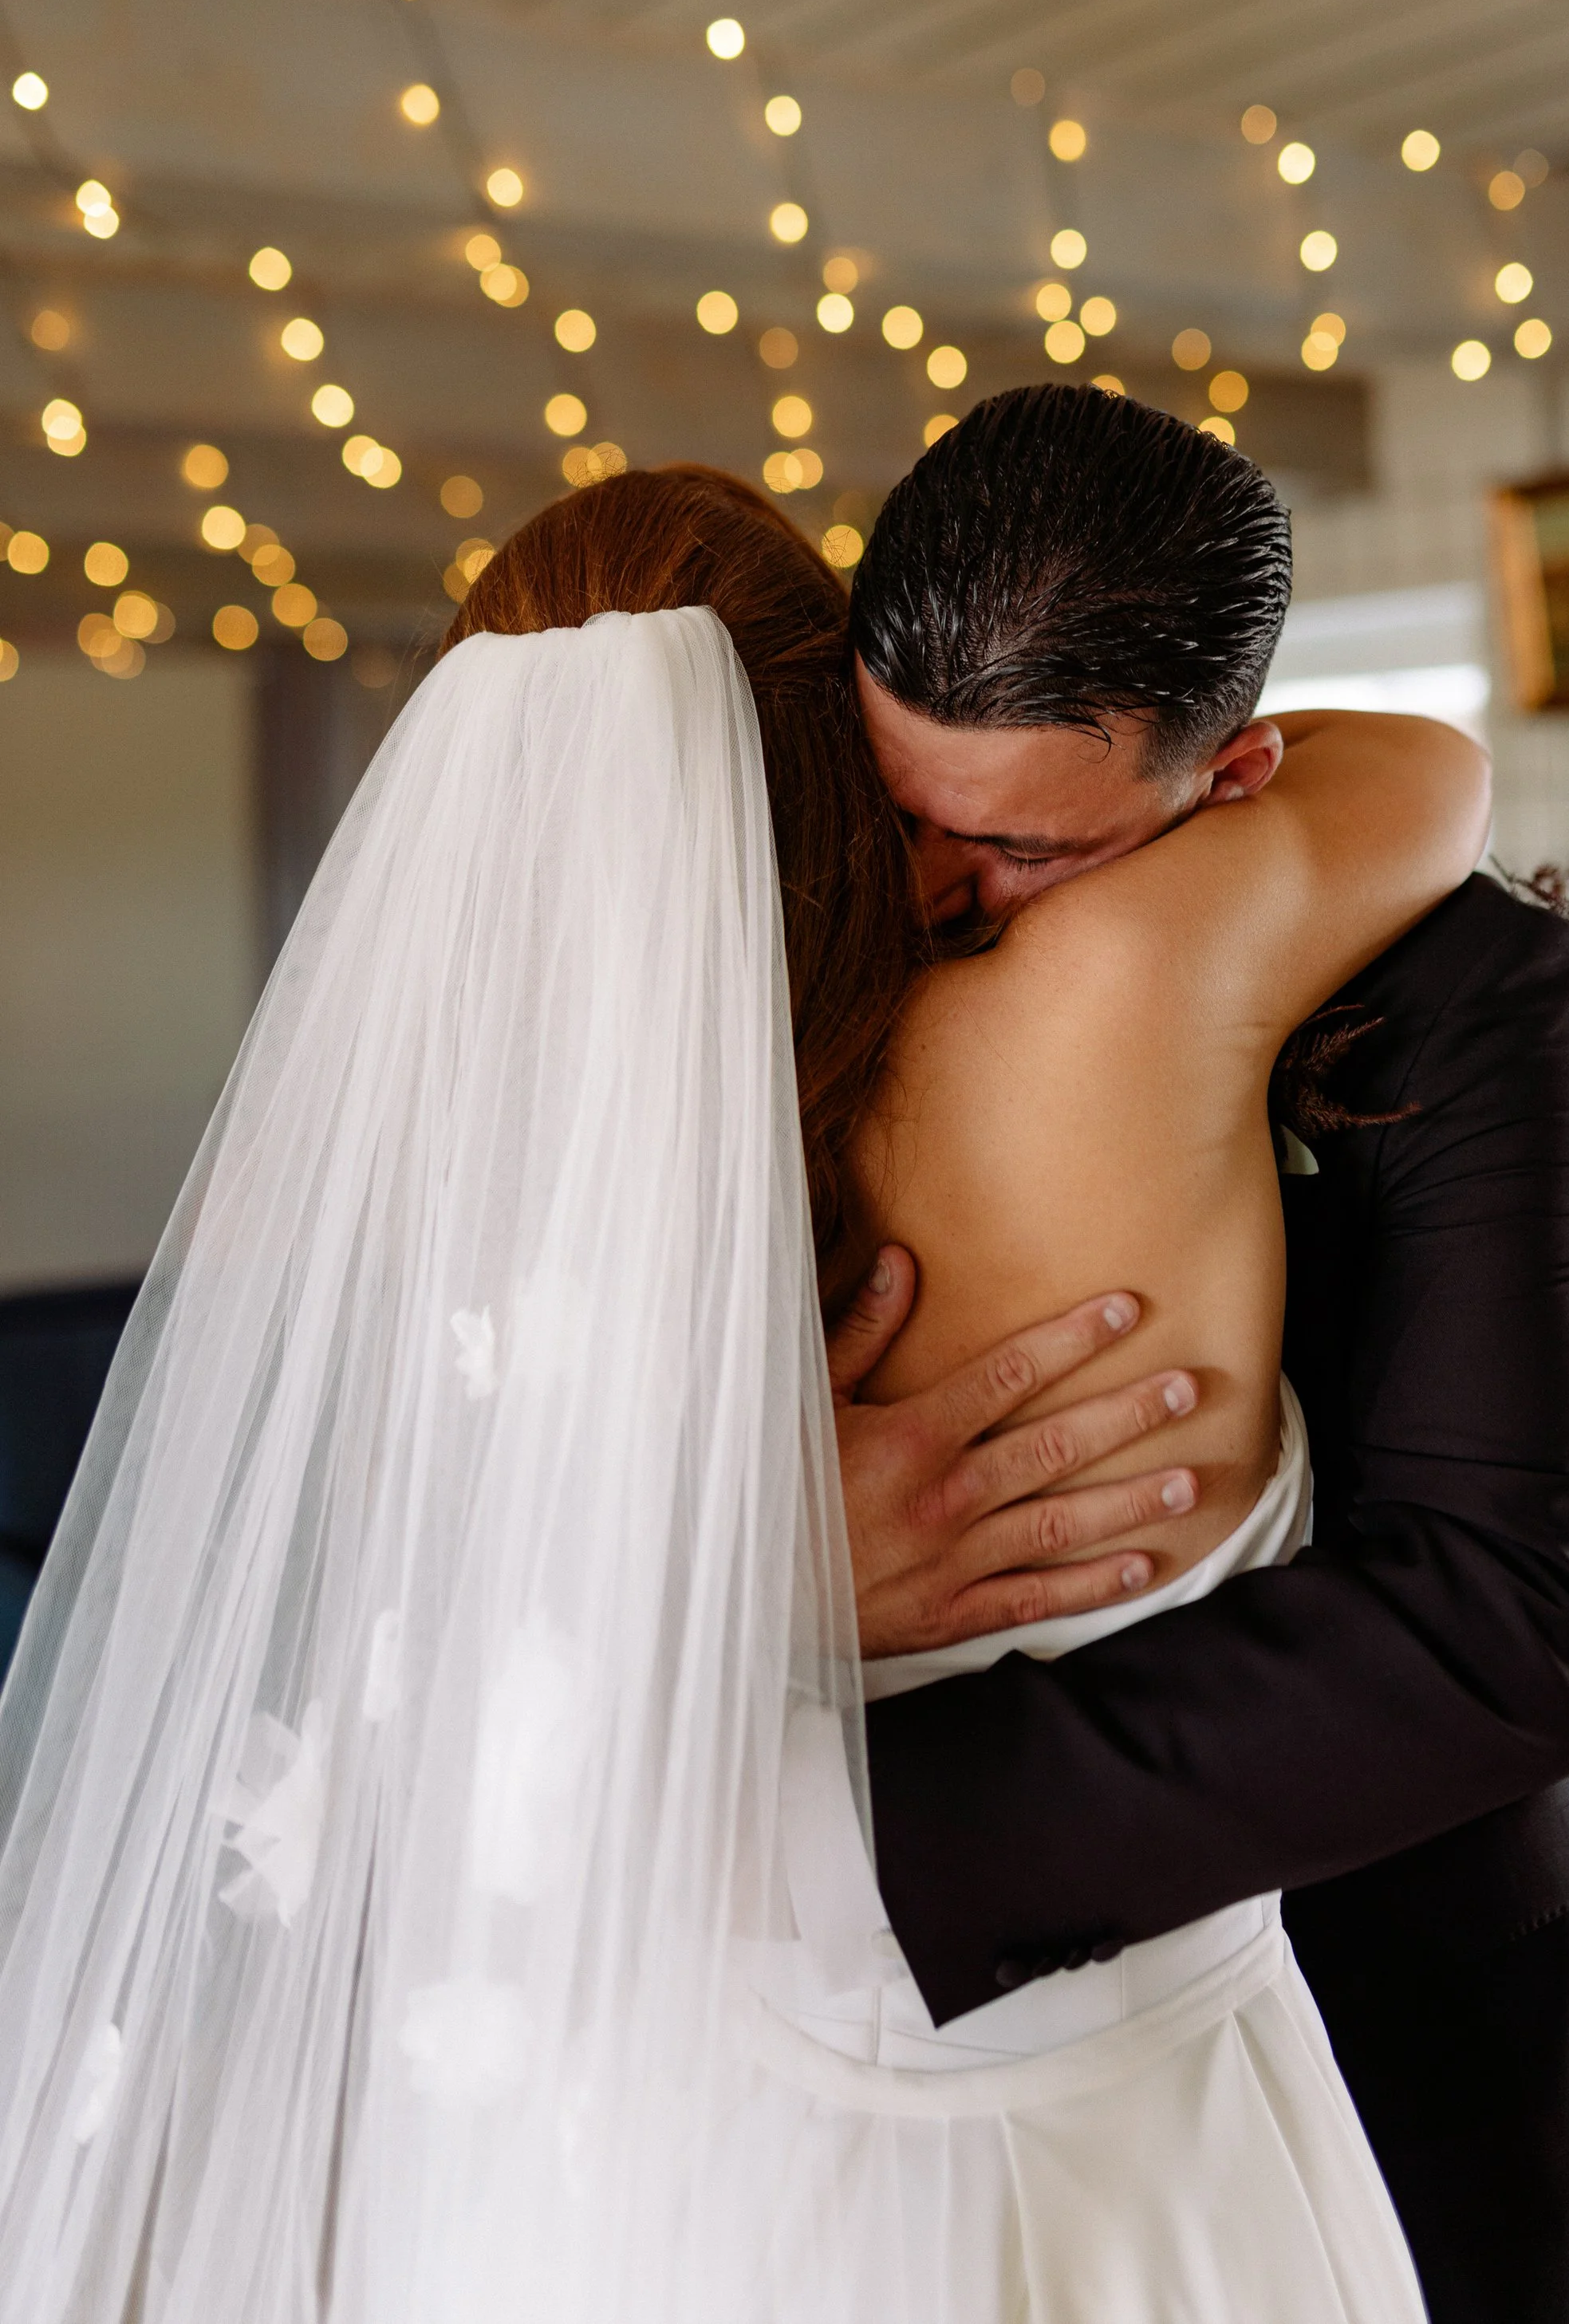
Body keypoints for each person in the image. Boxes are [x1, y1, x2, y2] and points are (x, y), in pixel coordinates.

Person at [0, 461, 1484, 2323]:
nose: (962, 882)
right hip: (1119, 2145)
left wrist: (692, 1579)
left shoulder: (458, 1167)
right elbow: (1430, 773)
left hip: (659, 2149)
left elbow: (397, 1668)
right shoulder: (1111, 992)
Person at [835, 384, 1569, 2324]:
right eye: (896, 808)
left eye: (1009, 851)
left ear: (1232, 772)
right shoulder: (787, 945)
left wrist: (820, 1837)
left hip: (1409, 2041)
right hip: (922, 2132)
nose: (925, 894)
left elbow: (1496, 1629)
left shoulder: (1466, 989)